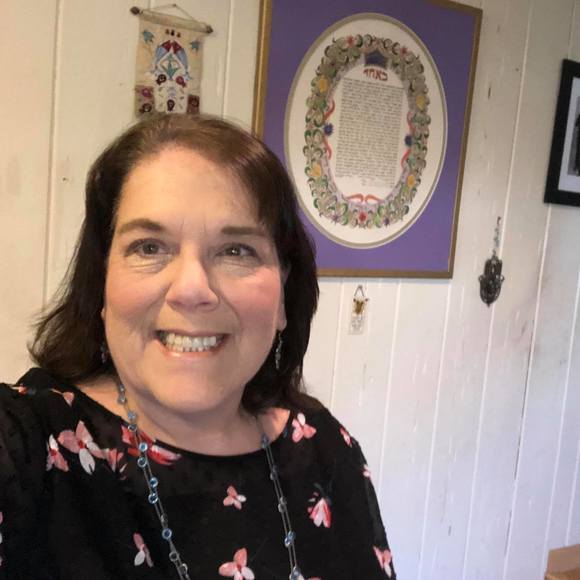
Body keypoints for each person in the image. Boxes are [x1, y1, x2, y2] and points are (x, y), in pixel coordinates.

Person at [0, 114, 395, 579]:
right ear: (101, 284)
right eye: (149, 247)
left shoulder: (325, 448)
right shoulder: (26, 445)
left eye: (236, 251)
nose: (191, 289)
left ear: (284, 298)